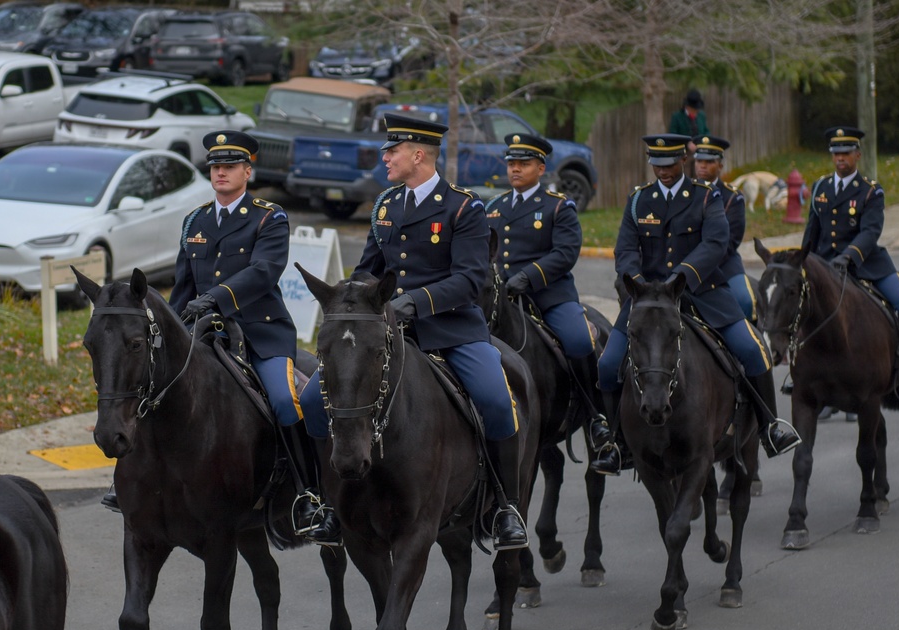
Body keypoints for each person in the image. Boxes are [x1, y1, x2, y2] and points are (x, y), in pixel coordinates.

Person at [298, 113, 530, 551]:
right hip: (386, 332)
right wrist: (354, 297)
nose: (385, 157)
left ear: (418, 155)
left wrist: (412, 303)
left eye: (393, 151)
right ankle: (325, 502)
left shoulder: (464, 207)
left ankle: (505, 508)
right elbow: (370, 267)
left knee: (498, 401)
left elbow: (468, 279)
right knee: (312, 400)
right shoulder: (387, 204)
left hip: (451, 330)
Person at [103, 130, 337, 546]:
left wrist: (214, 299)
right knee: (147, 383)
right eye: (215, 166)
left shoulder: (269, 217)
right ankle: (129, 481)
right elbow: (181, 287)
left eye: (230, 166)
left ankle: (309, 494)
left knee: (285, 402)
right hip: (200, 334)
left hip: (259, 334)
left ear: (248, 171)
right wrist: (167, 328)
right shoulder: (195, 221)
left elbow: (264, 272)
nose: (221, 172)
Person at [590, 134, 800, 476]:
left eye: (669, 163)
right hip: (649, 299)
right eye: (656, 164)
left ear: (682, 161)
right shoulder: (639, 200)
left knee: (752, 348)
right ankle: (618, 443)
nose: (663, 171)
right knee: (608, 362)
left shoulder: (705, 198)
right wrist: (635, 282)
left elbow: (716, 242)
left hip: (702, 292)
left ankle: (769, 427)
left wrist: (682, 276)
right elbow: (625, 249)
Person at [484, 132, 611, 454]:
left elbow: (566, 252)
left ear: (541, 169)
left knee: (581, 339)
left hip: (549, 295)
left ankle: (596, 415)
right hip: (504, 297)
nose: (515, 169)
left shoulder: (558, 207)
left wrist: (528, 277)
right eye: (512, 163)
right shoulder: (494, 208)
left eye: (524, 164)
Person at [802, 126, 899, 389]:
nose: (840, 158)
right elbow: (812, 230)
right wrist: (803, 262)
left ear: (857, 155)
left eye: (846, 153)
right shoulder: (820, 186)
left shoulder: (870, 191)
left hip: (867, 264)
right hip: (826, 265)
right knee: (800, 306)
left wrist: (848, 257)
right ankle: (800, 369)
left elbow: (870, 231)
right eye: (836, 153)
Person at [691, 134, 759, 324]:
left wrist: (701, 265)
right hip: (688, 264)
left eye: (708, 161)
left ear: (720, 165)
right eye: (699, 161)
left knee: (745, 301)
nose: (702, 166)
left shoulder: (732, 198)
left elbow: (731, 241)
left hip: (724, 264)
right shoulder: (685, 193)